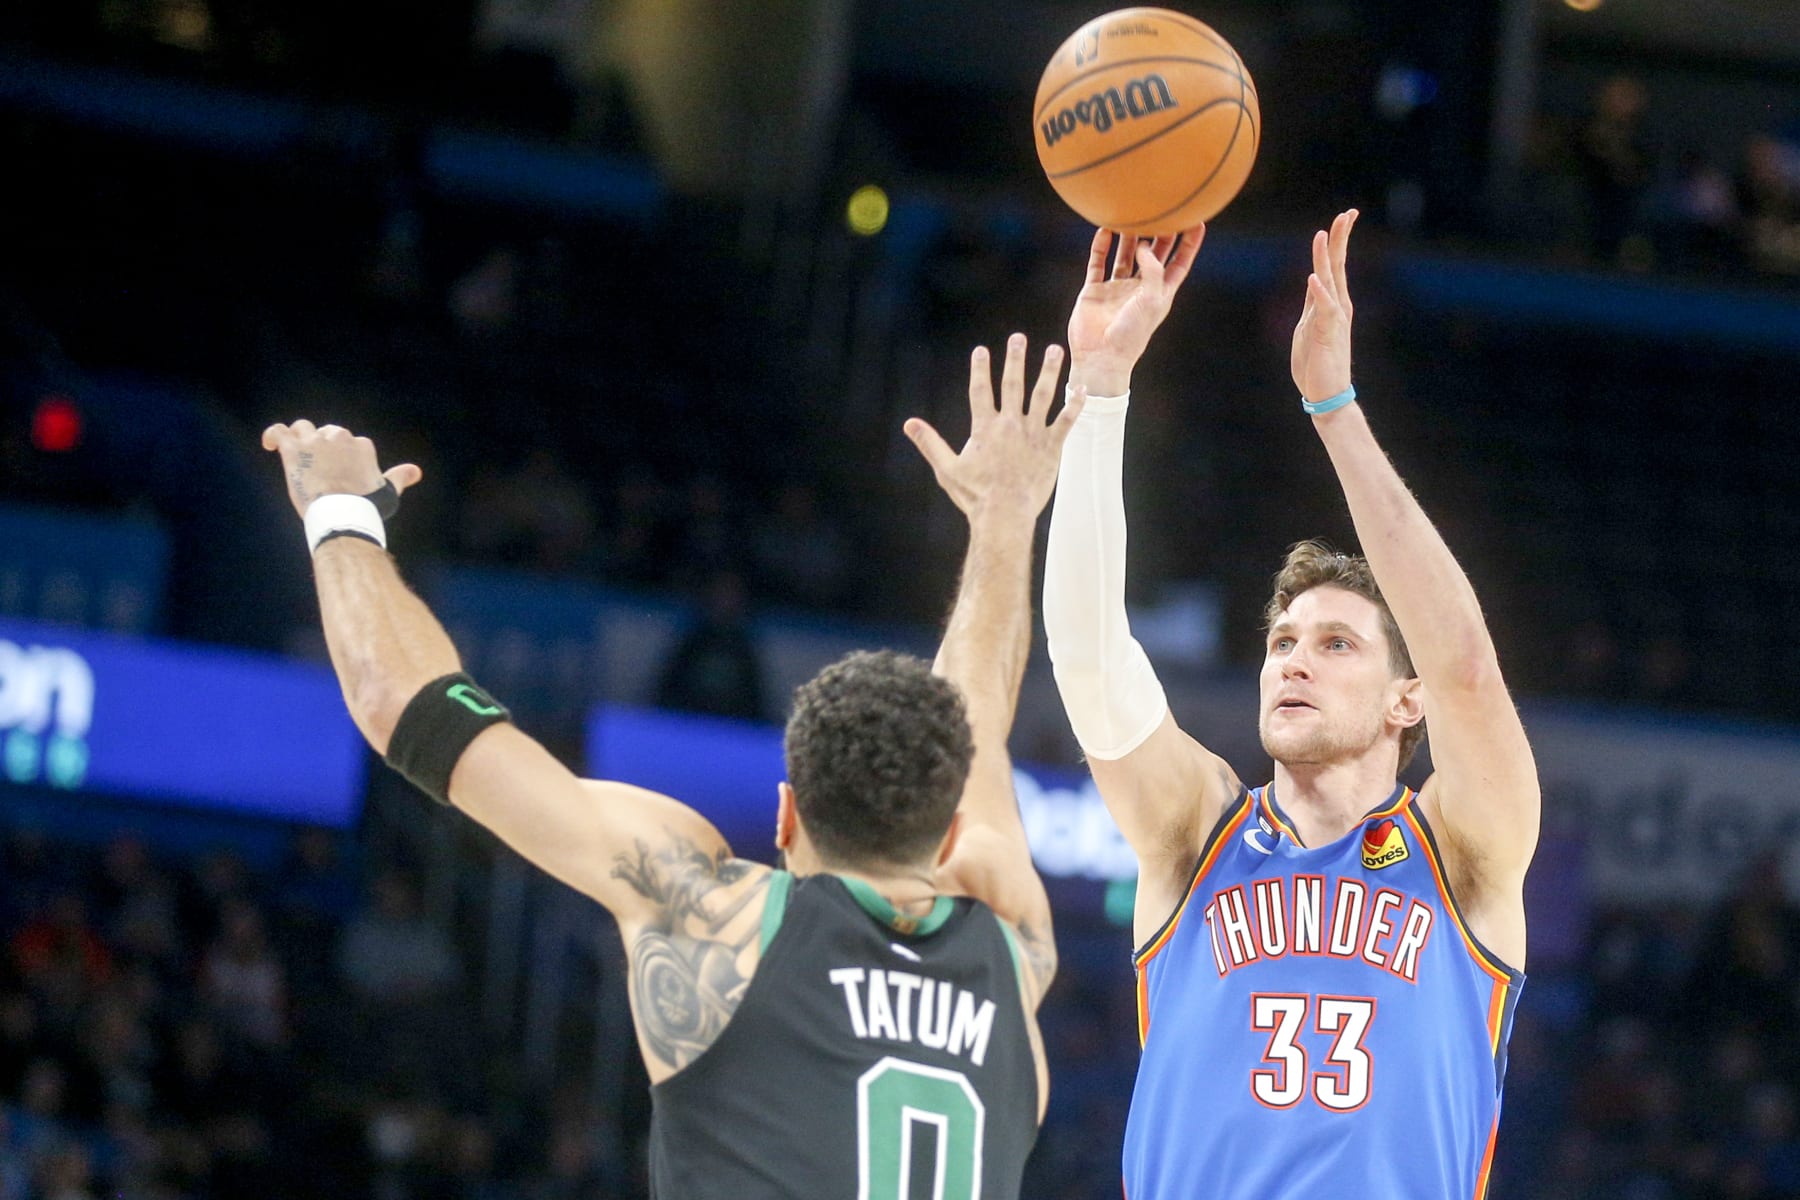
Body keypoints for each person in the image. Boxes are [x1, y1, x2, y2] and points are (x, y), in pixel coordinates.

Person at [261, 333, 1083, 1199]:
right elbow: (979, 716)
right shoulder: (1010, 940)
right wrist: (1006, 520)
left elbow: (404, 705)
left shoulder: (713, 912)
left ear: (786, 816)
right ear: (951, 827)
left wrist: (340, 513)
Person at [1043, 212, 1539, 1199]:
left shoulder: (1461, 849)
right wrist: (1098, 390)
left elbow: (1470, 670)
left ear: (1408, 699)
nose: (1292, 664)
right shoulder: (1199, 829)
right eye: (1281, 644)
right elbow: (1090, 661)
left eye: (1335, 643)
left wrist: (1334, 407)